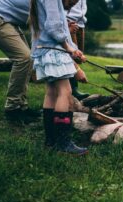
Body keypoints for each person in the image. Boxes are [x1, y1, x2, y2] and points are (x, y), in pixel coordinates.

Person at [29, 0, 89, 155]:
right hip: (54, 51)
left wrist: (74, 50)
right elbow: (54, 26)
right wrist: (69, 49)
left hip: (44, 49)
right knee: (65, 92)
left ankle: (51, 140)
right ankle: (63, 142)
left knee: (51, 93)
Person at [0, 0, 41, 123]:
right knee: (23, 58)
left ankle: (21, 106)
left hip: (7, 19)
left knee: (28, 59)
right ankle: (13, 108)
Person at [66, 0, 90, 101]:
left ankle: (73, 88)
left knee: (78, 58)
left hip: (81, 23)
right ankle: (72, 89)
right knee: (71, 55)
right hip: (69, 21)